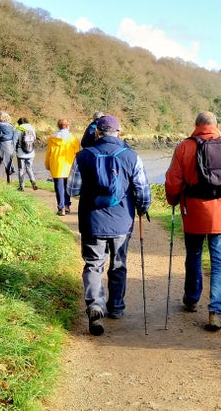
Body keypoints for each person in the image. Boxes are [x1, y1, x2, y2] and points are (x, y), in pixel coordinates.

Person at [164, 111, 221, 331]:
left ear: (196, 125)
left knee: (193, 255)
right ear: (216, 125)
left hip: (193, 211)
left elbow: (173, 180)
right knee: (219, 261)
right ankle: (215, 312)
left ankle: (192, 298)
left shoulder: (184, 147)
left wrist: (172, 199)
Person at [68, 115, 151, 335]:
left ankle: (95, 305)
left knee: (94, 264)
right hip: (122, 221)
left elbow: (73, 190)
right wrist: (142, 208)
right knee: (119, 263)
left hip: (92, 221)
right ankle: (116, 307)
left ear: (97, 132)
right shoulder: (131, 156)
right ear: (118, 133)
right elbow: (142, 190)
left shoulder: (82, 156)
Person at [44, 118, 79, 215]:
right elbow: (77, 153)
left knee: (59, 186)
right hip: (68, 164)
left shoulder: (52, 138)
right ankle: (67, 205)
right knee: (67, 186)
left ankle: (61, 207)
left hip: (56, 164)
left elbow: (49, 153)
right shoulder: (73, 138)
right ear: (68, 126)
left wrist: (47, 164)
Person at [14, 117, 39, 191]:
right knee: (29, 168)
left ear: (19, 123)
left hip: (21, 152)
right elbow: (34, 139)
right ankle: (33, 181)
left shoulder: (19, 129)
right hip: (31, 152)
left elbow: (14, 141)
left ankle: (21, 186)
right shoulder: (32, 129)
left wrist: (14, 150)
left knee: (21, 169)